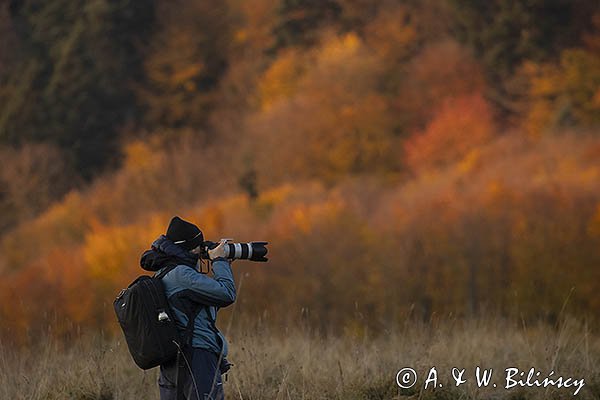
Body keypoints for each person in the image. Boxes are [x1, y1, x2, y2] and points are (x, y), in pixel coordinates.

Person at [140, 216, 236, 400]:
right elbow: (227, 294)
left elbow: (198, 311)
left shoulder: (163, 272)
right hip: (196, 357)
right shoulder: (182, 275)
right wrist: (220, 262)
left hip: (172, 361)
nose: (201, 252)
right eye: (198, 247)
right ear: (189, 248)